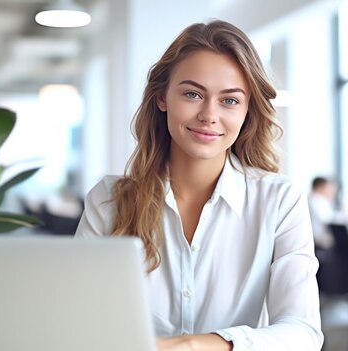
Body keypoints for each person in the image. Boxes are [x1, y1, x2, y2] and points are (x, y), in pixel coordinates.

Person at [75, 20, 323, 351]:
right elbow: (79, 320)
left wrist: (193, 345)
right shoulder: (109, 199)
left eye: (230, 100)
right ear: (162, 97)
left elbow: (303, 332)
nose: (209, 114)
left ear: (248, 109)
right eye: (192, 94)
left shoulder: (279, 199)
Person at [308, 176, 338, 249]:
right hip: (321, 244)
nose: (331, 192)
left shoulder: (307, 199)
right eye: (329, 188)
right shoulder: (319, 201)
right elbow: (330, 222)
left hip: (312, 243)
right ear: (320, 187)